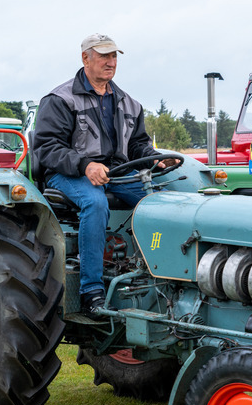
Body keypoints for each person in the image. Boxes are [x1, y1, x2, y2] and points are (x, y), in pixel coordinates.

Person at [33, 33, 159, 314]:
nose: (110, 62)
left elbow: (138, 144)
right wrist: (84, 165)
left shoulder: (129, 103)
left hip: (116, 172)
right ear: (85, 58)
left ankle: (153, 277)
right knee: (95, 202)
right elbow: (47, 147)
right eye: (103, 56)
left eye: (114, 56)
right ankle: (91, 292)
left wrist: (154, 158)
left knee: (159, 202)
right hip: (67, 174)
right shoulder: (61, 99)